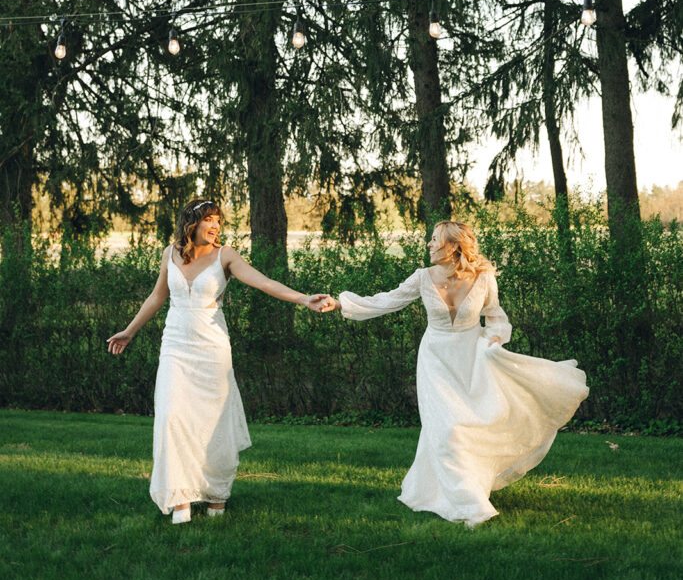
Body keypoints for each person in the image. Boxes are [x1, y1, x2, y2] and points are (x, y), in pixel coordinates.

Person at [320, 220, 589, 527]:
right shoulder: (423, 277)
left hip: (472, 359)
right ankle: (470, 504)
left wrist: (495, 339)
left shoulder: (484, 277)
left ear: (454, 246)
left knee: (470, 424)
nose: (429, 245)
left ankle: (465, 486)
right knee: (447, 429)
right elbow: (387, 300)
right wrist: (342, 303)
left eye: (435, 240)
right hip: (435, 360)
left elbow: (496, 317)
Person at [107, 198, 327, 524]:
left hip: (212, 352)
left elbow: (263, 282)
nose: (215, 227)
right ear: (191, 223)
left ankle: (215, 495)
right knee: (172, 418)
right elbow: (158, 296)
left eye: (218, 222)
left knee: (213, 425)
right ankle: (180, 498)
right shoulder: (170, 254)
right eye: (208, 220)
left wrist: (303, 298)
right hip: (175, 348)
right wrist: (129, 331)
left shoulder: (226, 256)